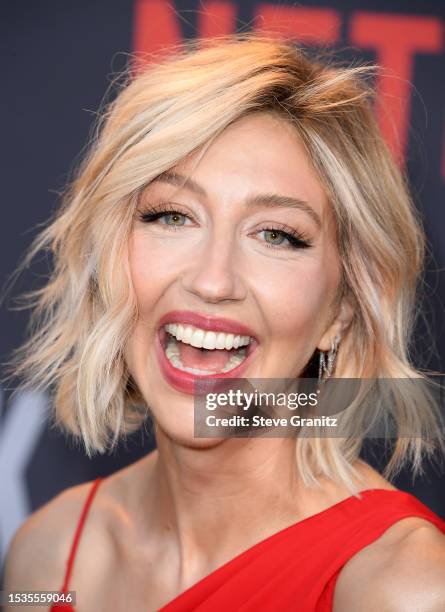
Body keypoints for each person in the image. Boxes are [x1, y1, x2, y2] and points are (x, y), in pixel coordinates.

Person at [3, 33, 445, 611]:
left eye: (276, 234)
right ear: (110, 256)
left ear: (340, 310)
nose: (213, 280)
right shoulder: (47, 555)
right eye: (172, 215)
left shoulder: (403, 586)